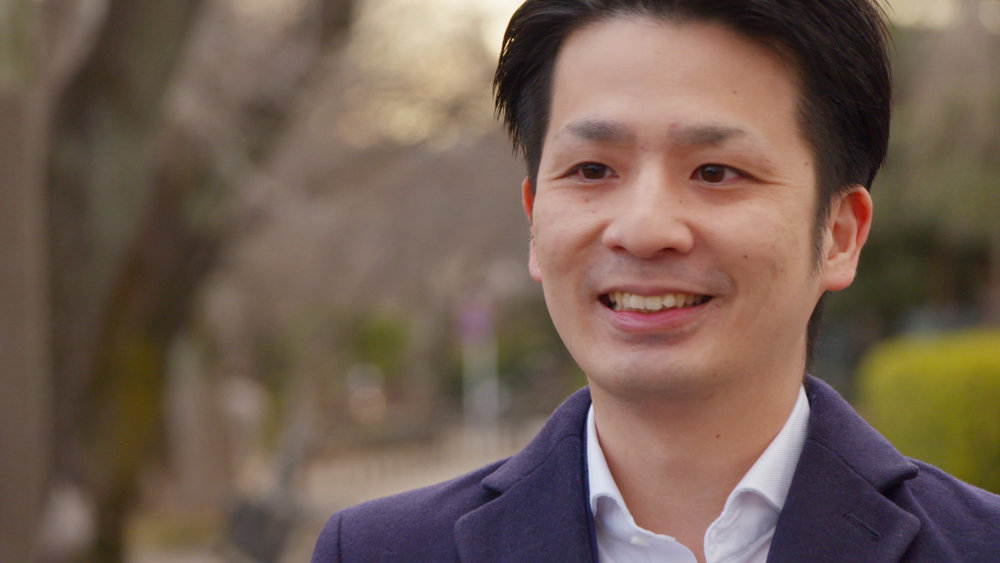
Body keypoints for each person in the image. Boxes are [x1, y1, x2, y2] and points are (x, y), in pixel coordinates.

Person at [312, 1, 1000, 561]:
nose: (643, 230)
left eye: (715, 172)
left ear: (840, 234)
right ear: (534, 223)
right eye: (592, 170)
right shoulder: (379, 551)